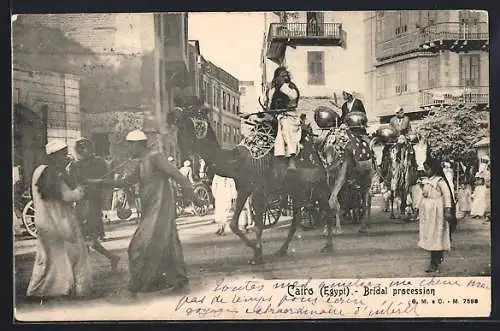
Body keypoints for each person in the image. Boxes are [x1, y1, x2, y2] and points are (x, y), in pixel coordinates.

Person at [95, 130, 201, 294]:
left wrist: (194, 197)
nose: (128, 151)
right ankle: (174, 280)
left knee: (138, 246)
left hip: (160, 209)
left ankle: (141, 283)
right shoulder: (142, 162)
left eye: (129, 146)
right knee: (167, 244)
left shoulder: (155, 157)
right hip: (151, 209)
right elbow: (127, 182)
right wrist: (101, 182)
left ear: (137, 144)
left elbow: (178, 176)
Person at [26, 140, 92, 299]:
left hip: (42, 220)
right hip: (60, 220)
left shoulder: (38, 171)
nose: (66, 158)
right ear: (56, 156)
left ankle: (40, 288)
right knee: (74, 253)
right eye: (63, 155)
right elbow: (69, 196)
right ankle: (65, 288)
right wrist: (81, 189)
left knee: (47, 256)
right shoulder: (56, 174)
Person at [69, 138, 121, 271]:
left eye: (85, 147)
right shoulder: (74, 165)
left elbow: (107, 182)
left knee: (87, 236)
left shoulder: (100, 163)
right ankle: (110, 257)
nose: (82, 150)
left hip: (93, 202)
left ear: (90, 148)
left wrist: (98, 184)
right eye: (79, 148)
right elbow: (73, 182)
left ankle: (83, 268)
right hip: (80, 202)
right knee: (84, 236)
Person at [418, 158, 455, 273]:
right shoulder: (427, 181)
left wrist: (448, 209)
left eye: (428, 168)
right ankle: (435, 259)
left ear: (434, 169)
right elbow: (424, 194)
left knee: (436, 235)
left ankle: (435, 261)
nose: (426, 171)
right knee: (430, 234)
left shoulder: (440, 181)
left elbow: (447, 195)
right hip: (428, 213)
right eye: (425, 169)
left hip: (437, 212)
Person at [264, 67, 301, 171]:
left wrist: (283, 86)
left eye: (286, 76)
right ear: (276, 77)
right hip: (275, 116)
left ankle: (291, 159)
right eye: (282, 76)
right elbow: (269, 102)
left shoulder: (290, 87)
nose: (285, 78)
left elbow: (293, 97)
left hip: (290, 116)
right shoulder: (272, 89)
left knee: (285, 126)